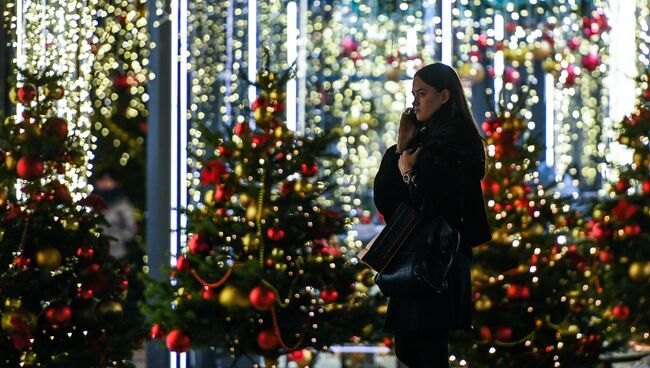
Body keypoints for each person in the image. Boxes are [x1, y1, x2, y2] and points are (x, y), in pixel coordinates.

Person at [373, 63, 492, 367]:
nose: (415, 102)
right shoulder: (419, 142)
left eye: (422, 93)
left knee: (426, 348)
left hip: (437, 259)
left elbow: (440, 203)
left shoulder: (458, 142)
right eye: (414, 94)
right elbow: (389, 203)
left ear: (444, 96)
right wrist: (402, 151)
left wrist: (410, 172)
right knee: (411, 348)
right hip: (416, 257)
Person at [92, 169, 137, 260]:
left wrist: (117, 238)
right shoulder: (91, 203)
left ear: (116, 183)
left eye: (109, 180)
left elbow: (130, 229)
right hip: (93, 252)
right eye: (102, 180)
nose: (105, 183)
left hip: (116, 254)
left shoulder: (123, 205)